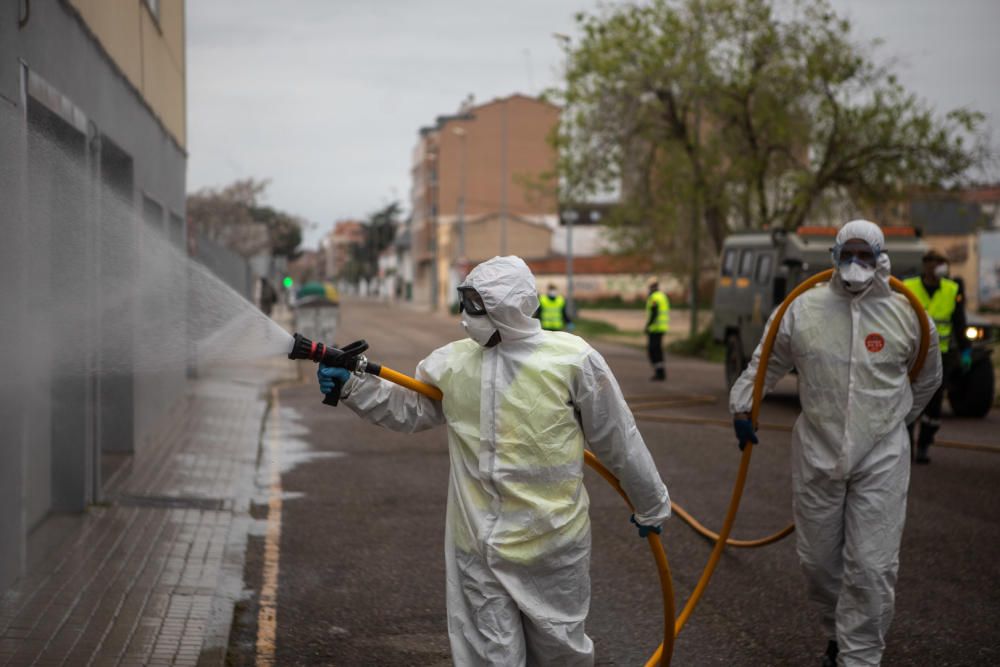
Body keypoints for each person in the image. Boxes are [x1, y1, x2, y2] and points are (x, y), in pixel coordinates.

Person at [317, 255, 671, 665]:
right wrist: (354, 389)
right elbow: (410, 407)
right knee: (489, 659)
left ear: (509, 307)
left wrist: (650, 503)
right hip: (478, 549)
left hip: (552, 548)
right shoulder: (452, 361)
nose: (466, 316)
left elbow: (618, 438)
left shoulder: (573, 360)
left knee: (561, 656)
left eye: (476, 305)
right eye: (465, 303)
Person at [728, 220, 942, 667]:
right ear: (834, 255)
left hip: (881, 456)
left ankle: (858, 658)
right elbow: (766, 360)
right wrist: (745, 406)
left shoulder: (907, 314)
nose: (857, 264)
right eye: (850, 253)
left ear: (882, 258)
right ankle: (836, 636)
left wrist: (894, 424)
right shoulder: (802, 309)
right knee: (818, 563)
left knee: (871, 566)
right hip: (817, 452)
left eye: (867, 255)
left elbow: (927, 378)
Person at [903, 250, 971, 464]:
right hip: (912, 355)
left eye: (942, 263)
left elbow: (959, 322)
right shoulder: (908, 287)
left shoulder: (952, 289)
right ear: (926, 265)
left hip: (941, 357)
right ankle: (905, 449)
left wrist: (965, 349)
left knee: (933, 405)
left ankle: (924, 445)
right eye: (936, 263)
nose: (939, 267)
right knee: (907, 402)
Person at [644, 278, 670, 381]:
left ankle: (659, 373)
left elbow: (654, 313)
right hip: (662, 327)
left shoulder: (654, 297)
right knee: (658, 350)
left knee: (652, 350)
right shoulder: (662, 296)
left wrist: (648, 325)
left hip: (655, 328)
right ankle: (660, 372)